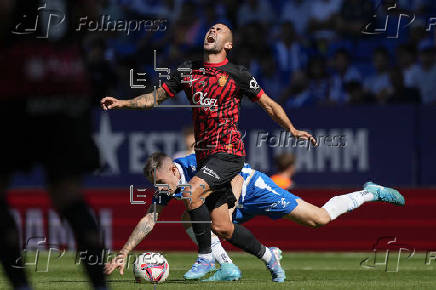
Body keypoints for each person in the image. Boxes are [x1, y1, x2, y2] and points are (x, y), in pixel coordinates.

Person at [101, 23, 317, 282]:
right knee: (222, 227)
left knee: (191, 191)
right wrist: (123, 102)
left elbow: (269, 105)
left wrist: (292, 130)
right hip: (206, 157)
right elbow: (155, 98)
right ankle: (270, 258)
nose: (211, 31)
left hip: (229, 152)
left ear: (228, 44)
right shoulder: (187, 70)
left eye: (219, 29)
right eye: (210, 28)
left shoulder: (238, 74)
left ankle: (205, 258)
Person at [104, 152, 405, 281]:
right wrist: (124, 252)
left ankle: (369, 192)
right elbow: (149, 218)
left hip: (252, 187)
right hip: (225, 205)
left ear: (172, 170)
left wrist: (230, 208)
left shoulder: (194, 163)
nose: (160, 190)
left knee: (319, 219)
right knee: (190, 217)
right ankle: (227, 267)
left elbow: (233, 171)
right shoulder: (170, 187)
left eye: (161, 183)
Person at [0, 1, 106, 289]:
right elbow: (92, 13)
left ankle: (21, 284)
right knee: (68, 192)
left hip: (18, 79)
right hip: (68, 78)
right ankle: (100, 285)